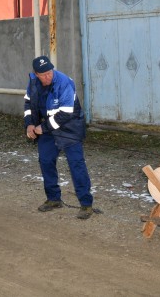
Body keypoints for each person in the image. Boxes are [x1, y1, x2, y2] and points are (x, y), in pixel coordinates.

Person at [23, 55, 94, 220]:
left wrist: (43, 127)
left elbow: (65, 114)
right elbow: (28, 104)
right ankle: (53, 199)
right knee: (46, 160)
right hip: (47, 128)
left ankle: (86, 204)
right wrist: (29, 124)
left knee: (76, 164)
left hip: (70, 128)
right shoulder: (33, 82)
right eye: (44, 74)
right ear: (36, 74)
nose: (48, 76)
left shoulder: (64, 82)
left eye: (49, 72)